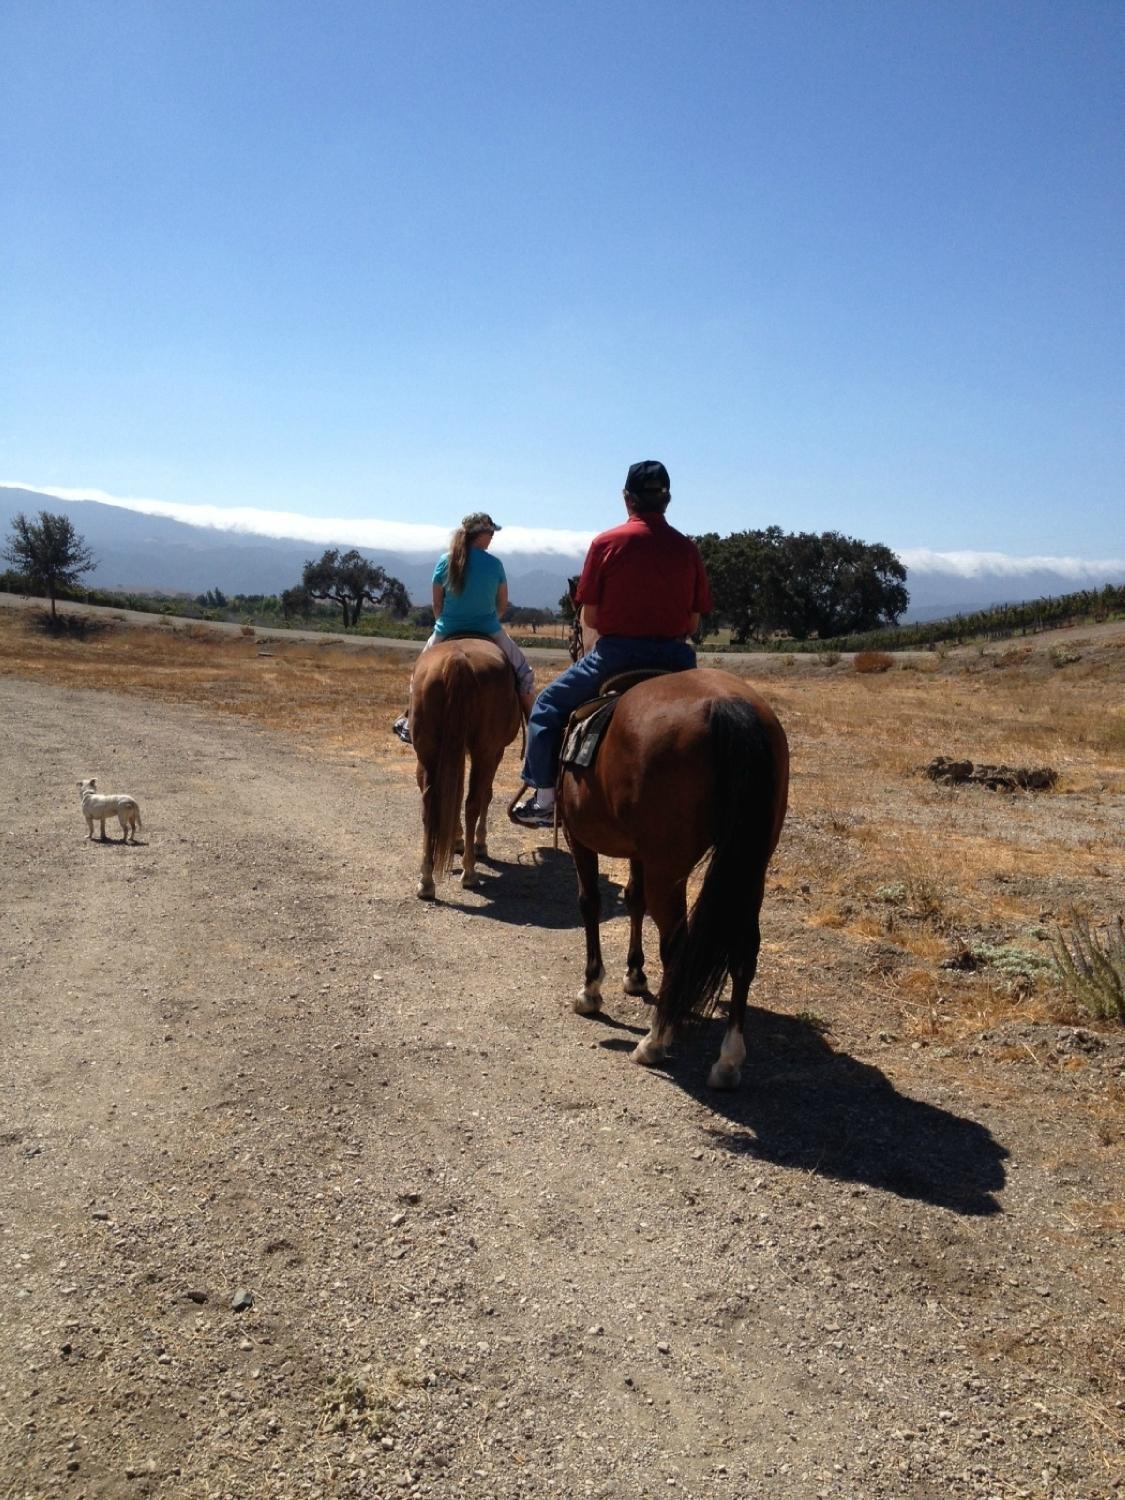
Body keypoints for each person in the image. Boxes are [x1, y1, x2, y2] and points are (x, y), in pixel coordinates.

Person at [510, 461, 712, 826]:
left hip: (616, 657)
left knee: (546, 706)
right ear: (667, 501)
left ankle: (545, 798)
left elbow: (591, 619)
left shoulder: (606, 544)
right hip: (678, 661)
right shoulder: (687, 549)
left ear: (626, 499)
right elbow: (694, 622)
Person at [393, 512, 535, 743]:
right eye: (490, 533)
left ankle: (411, 722)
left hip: (446, 629)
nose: (492, 538)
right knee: (524, 673)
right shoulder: (495, 564)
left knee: (418, 674)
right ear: (481, 534)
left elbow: (437, 604)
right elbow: (502, 604)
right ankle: (533, 725)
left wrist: (446, 622)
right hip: (489, 629)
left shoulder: (444, 561)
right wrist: (488, 618)